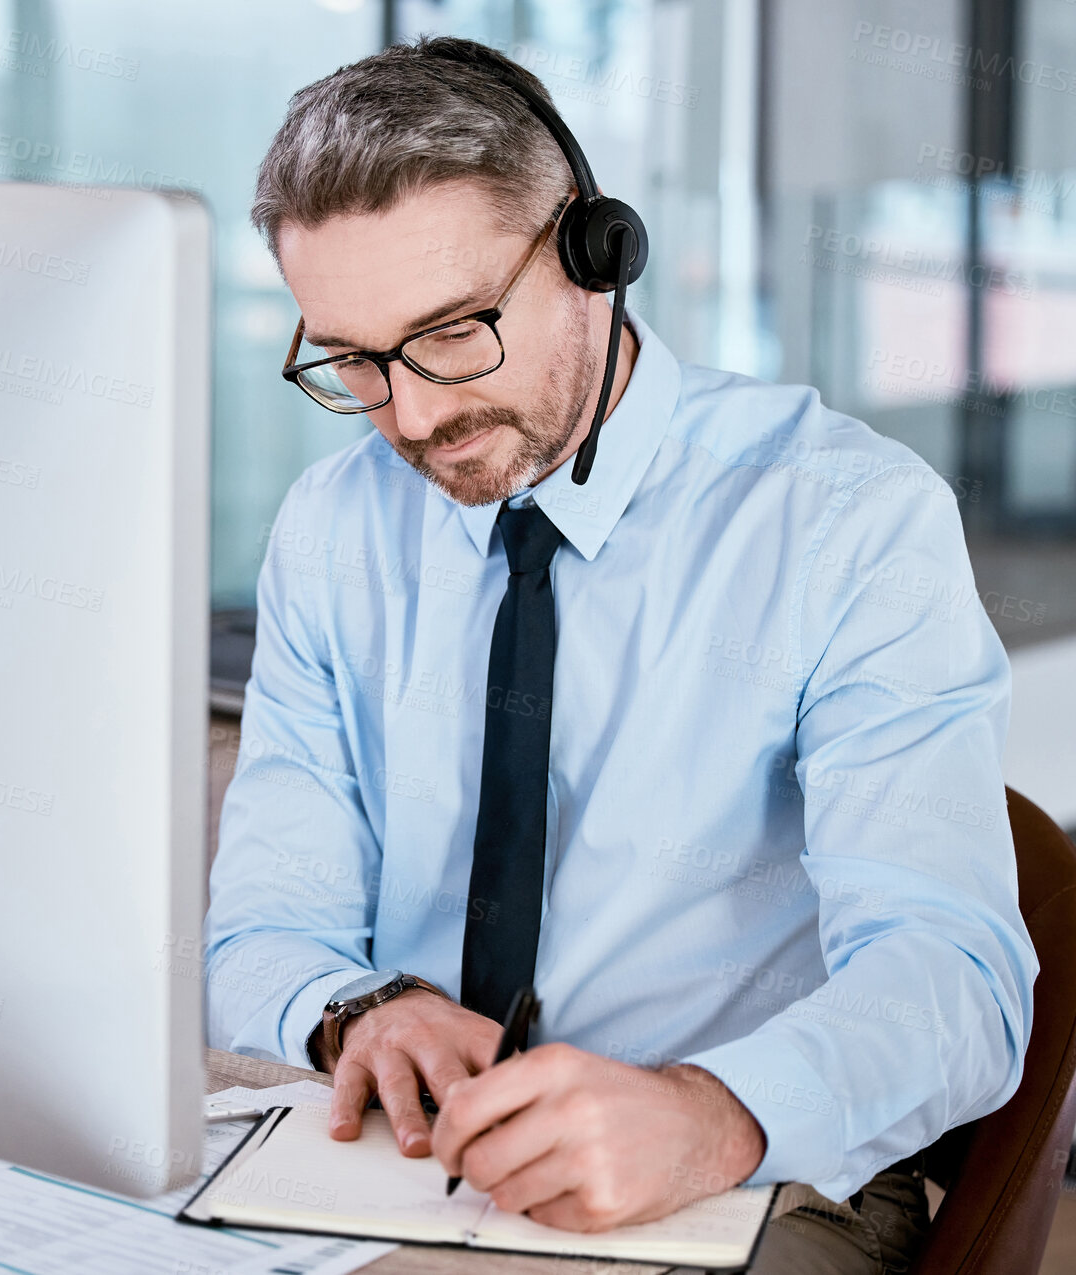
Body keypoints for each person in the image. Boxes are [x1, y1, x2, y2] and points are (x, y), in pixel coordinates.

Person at [204, 36, 1036, 1273]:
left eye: (452, 334)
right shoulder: (333, 529)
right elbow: (262, 927)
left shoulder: (844, 519)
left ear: (598, 257)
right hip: (403, 1166)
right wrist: (357, 1012)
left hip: (748, 1178)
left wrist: (712, 1113)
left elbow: (952, 979)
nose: (414, 416)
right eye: (355, 361)